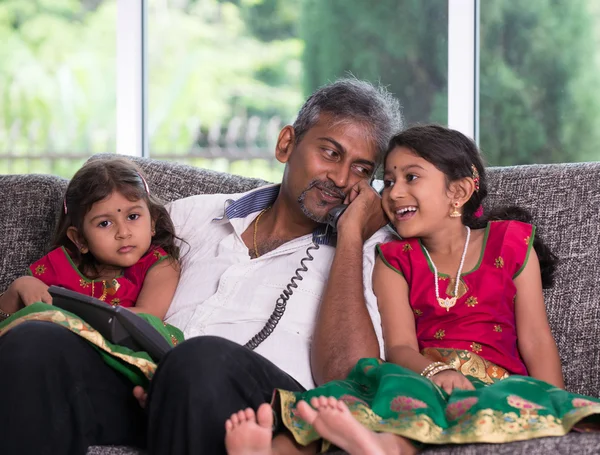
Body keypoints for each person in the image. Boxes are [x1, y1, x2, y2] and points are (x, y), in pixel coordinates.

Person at [0, 78, 402, 455]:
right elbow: (108, 280)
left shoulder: (372, 253)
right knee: (36, 343)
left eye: (362, 170)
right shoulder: (193, 215)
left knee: (199, 359)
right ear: (286, 144)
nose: (340, 177)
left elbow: (349, 375)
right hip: (153, 387)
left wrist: (349, 236)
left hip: (265, 410)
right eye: (330, 153)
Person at [227, 124, 600, 455]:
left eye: (411, 178)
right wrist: (435, 370)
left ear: (459, 191)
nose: (394, 193)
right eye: (388, 181)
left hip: (497, 384)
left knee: (414, 397)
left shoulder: (511, 244)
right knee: (378, 390)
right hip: (423, 373)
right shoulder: (394, 259)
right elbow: (400, 346)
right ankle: (274, 448)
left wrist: (555, 403)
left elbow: (537, 339)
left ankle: (385, 447)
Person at [0, 157, 183, 386]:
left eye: (133, 216)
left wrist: (67, 318)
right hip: (50, 367)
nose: (123, 232)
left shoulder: (159, 266)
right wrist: (19, 288)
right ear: (80, 239)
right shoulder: (58, 269)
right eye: (105, 223)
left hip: (112, 371)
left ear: (152, 222)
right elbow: (9, 319)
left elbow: (147, 318)